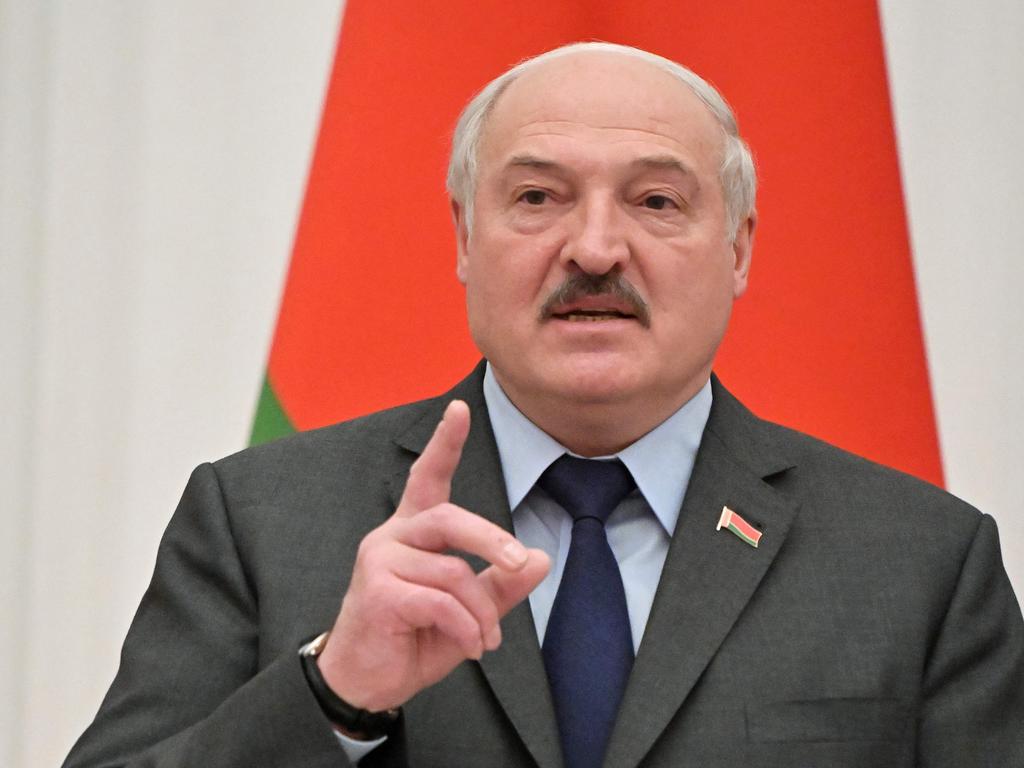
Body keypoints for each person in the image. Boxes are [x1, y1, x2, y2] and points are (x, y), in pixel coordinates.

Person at [64, 42, 1024, 768]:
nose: (595, 249)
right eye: (537, 197)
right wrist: (334, 694)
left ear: (738, 250)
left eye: (656, 202)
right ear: (464, 239)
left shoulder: (924, 565)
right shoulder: (261, 523)